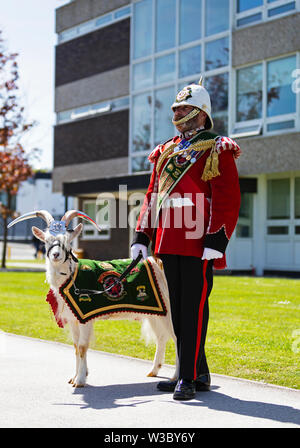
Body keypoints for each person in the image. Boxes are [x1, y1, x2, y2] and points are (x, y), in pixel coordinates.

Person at [131, 77, 241, 400]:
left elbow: (227, 198)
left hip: (198, 242)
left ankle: (188, 378)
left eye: (187, 109)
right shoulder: (165, 151)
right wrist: (142, 234)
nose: (179, 114)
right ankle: (196, 371)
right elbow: (153, 196)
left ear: (202, 114)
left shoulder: (217, 146)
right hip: (168, 240)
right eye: (177, 108)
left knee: (192, 308)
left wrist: (216, 239)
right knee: (177, 309)